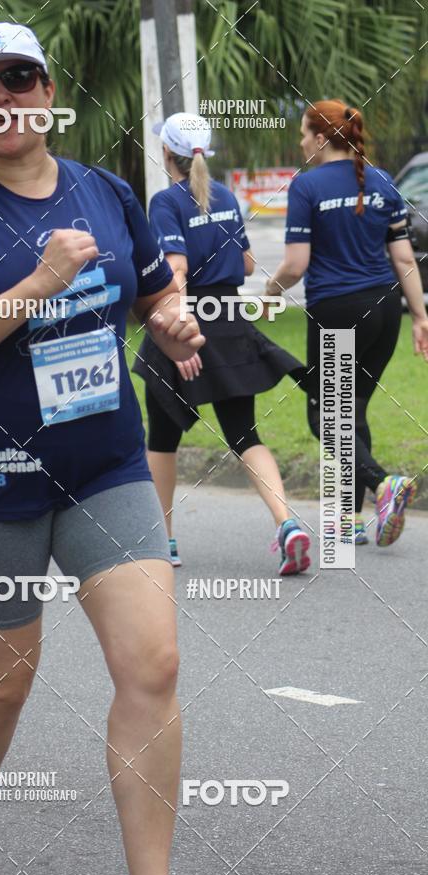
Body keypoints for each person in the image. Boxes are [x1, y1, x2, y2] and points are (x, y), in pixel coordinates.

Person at [0, 22, 203, 875]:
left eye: (18, 77)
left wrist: (172, 323)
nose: (2, 96)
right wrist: (37, 284)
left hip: (105, 465)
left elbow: (154, 292)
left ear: (48, 91)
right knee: (5, 685)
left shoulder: (105, 191)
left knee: (154, 665)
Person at [133, 112, 311, 576]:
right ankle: (287, 524)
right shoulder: (227, 197)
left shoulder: (165, 201)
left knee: (162, 438)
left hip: (189, 315)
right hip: (229, 317)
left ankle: (163, 542)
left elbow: (176, 270)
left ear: (167, 153)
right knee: (244, 434)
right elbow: (247, 263)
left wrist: (181, 332)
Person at [266, 99, 428, 547]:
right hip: (385, 311)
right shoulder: (382, 180)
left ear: (321, 139)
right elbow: (404, 258)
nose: (301, 142)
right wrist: (420, 316)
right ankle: (349, 521)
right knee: (351, 410)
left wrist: (269, 292)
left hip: (338, 313)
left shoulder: (306, 186)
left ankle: (383, 484)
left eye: (304, 133)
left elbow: (295, 265)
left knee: (325, 414)